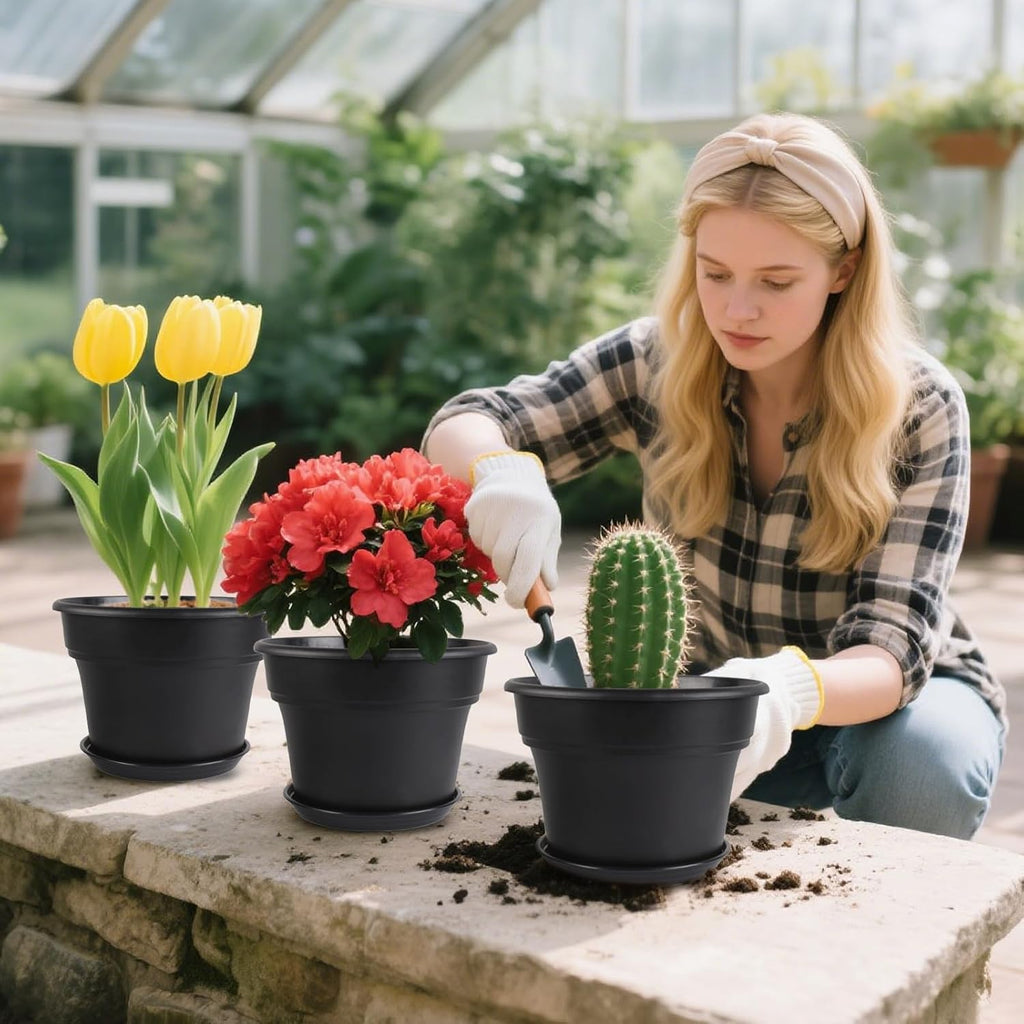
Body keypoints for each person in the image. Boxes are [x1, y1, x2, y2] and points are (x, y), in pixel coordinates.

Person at [421, 112, 1006, 841]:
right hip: (716, 715)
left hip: (879, 706)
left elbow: (892, 653)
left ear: (844, 270)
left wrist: (785, 688)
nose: (737, 309)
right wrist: (500, 471)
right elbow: (470, 419)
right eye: (716, 272)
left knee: (921, 770)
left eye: (776, 281)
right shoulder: (655, 362)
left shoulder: (917, 406)